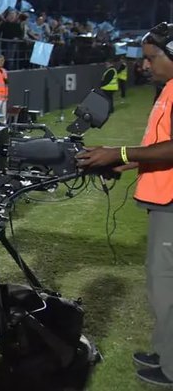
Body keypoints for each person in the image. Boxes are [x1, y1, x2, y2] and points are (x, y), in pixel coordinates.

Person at [76, 23, 173, 387]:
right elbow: (159, 146)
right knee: (160, 282)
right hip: (164, 199)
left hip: (172, 202)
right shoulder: (167, 90)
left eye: (151, 58)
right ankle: (164, 352)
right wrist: (125, 161)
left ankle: (171, 366)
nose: (144, 66)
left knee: (166, 286)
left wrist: (118, 151)